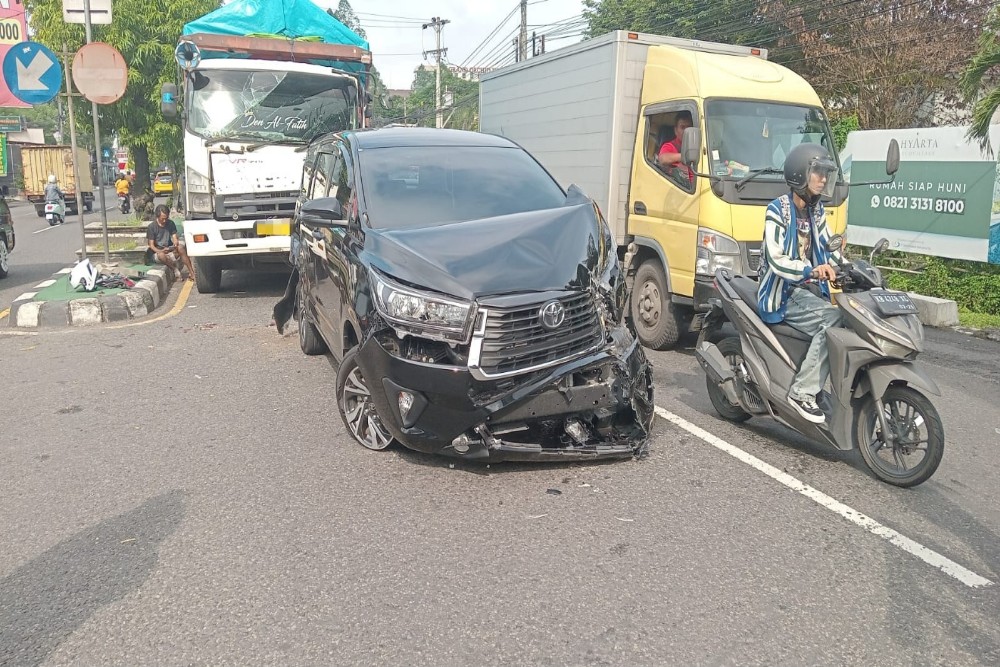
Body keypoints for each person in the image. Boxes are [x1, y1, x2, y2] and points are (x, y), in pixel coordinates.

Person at [756, 143, 844, 424]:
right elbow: (776, 260)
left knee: (846, 316)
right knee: (833, 322)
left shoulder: (816, 211)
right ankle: (802, 392)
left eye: (825, 173)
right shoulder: (777, 210)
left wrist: (850, 267)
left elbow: (829, 247)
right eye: (817, 172)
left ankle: (816, 382)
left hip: (805, 289)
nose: (823, 179)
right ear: (799, 175)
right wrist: (812, 270)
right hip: (781, 291)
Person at [146, 204, 195, 282]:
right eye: (162, 219)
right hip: (158, 252)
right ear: (158, 217)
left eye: (166, 218)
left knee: (181, 248)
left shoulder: (170, 223)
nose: (164, 221)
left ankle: (191, 272)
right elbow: (151, 245)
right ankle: (175, 269)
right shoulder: (151, 227)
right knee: (161, 255)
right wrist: (161, 251)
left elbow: (174, 237)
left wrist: (175, 243)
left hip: (169, 249)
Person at [657, 110, 694, 183]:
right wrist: (685, 156)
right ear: (676, 130)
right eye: (682, 127)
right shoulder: (670, 146)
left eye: (688, 128)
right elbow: (663, 158)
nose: (686, 131)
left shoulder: (698, 145)